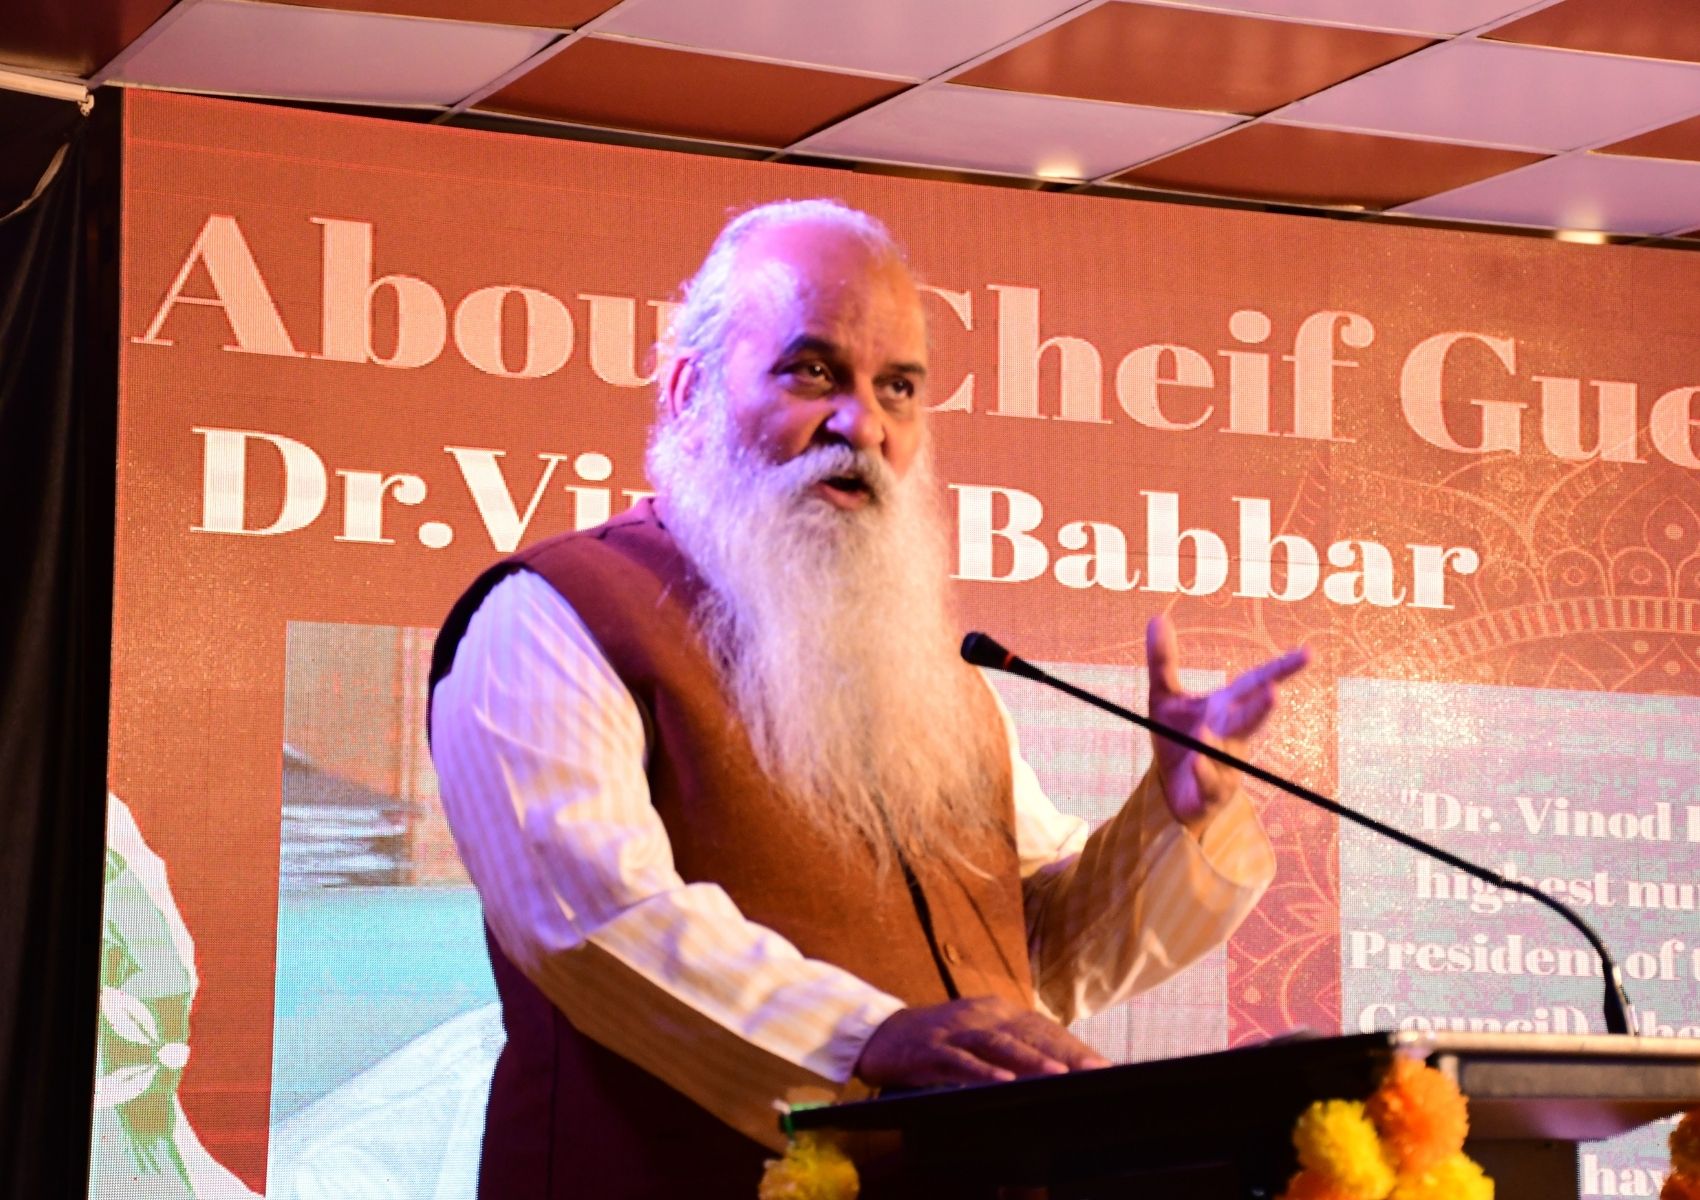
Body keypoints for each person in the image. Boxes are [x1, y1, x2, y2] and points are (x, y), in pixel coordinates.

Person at [428, 198, 1308, 1198]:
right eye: (812, 372)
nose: (862, 424)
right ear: (686, 388)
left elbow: (1021, 966)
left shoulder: (933, 676)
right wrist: (867, 1039)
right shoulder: (550, 616)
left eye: (898, 387)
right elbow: (595, 921)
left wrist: (1177, 815)